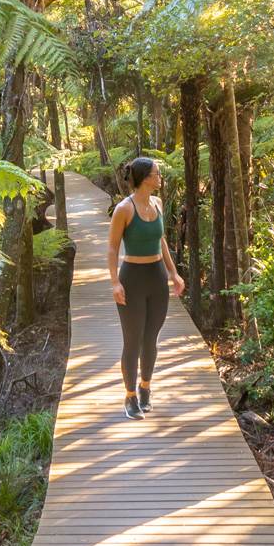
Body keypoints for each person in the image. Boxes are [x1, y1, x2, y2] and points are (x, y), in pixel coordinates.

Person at [107, 156, 185, 420]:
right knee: (132, 341)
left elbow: (161, 241)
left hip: (157, 277)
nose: (160, 177)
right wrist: (115, 282)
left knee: (150, 338)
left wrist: (174, 273)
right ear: (144, 178)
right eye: (156, 173)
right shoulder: (124, 209)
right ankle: (129, 397)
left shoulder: (158, 204)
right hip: (132, 279)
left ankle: (145, 389)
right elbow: (112, 246)